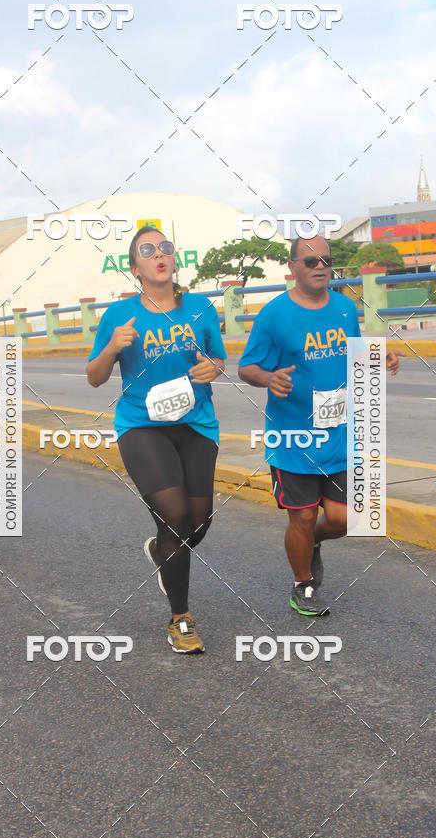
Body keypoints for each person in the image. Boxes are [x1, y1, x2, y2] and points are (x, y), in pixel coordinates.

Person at [239, 236, 401, 616]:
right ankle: (303, 584)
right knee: (304, 514)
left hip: (343, 434)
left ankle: (307, 543)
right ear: (292, 267)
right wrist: (268, 378)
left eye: (325, 260)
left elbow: (354, 354)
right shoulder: (274, 315)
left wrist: (380, 357)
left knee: (348, 518)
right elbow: (247, 366)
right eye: (309, 261)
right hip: (294, 438)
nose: (319, 266)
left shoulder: (345, 308)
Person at [87, 227, 226, 653]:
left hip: (196, 423)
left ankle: (160, 549)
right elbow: (94, 377)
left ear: (174, 261)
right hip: (142, 425)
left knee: (196, 524)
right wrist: (112, 347)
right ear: (135, 268)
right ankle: (180, 619)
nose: (159, 254)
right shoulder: (119, 315)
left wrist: (213, 367)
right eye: (148, 251)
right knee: (175, 513)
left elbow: (219, 357)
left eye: (166, 248)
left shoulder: (200, 308)